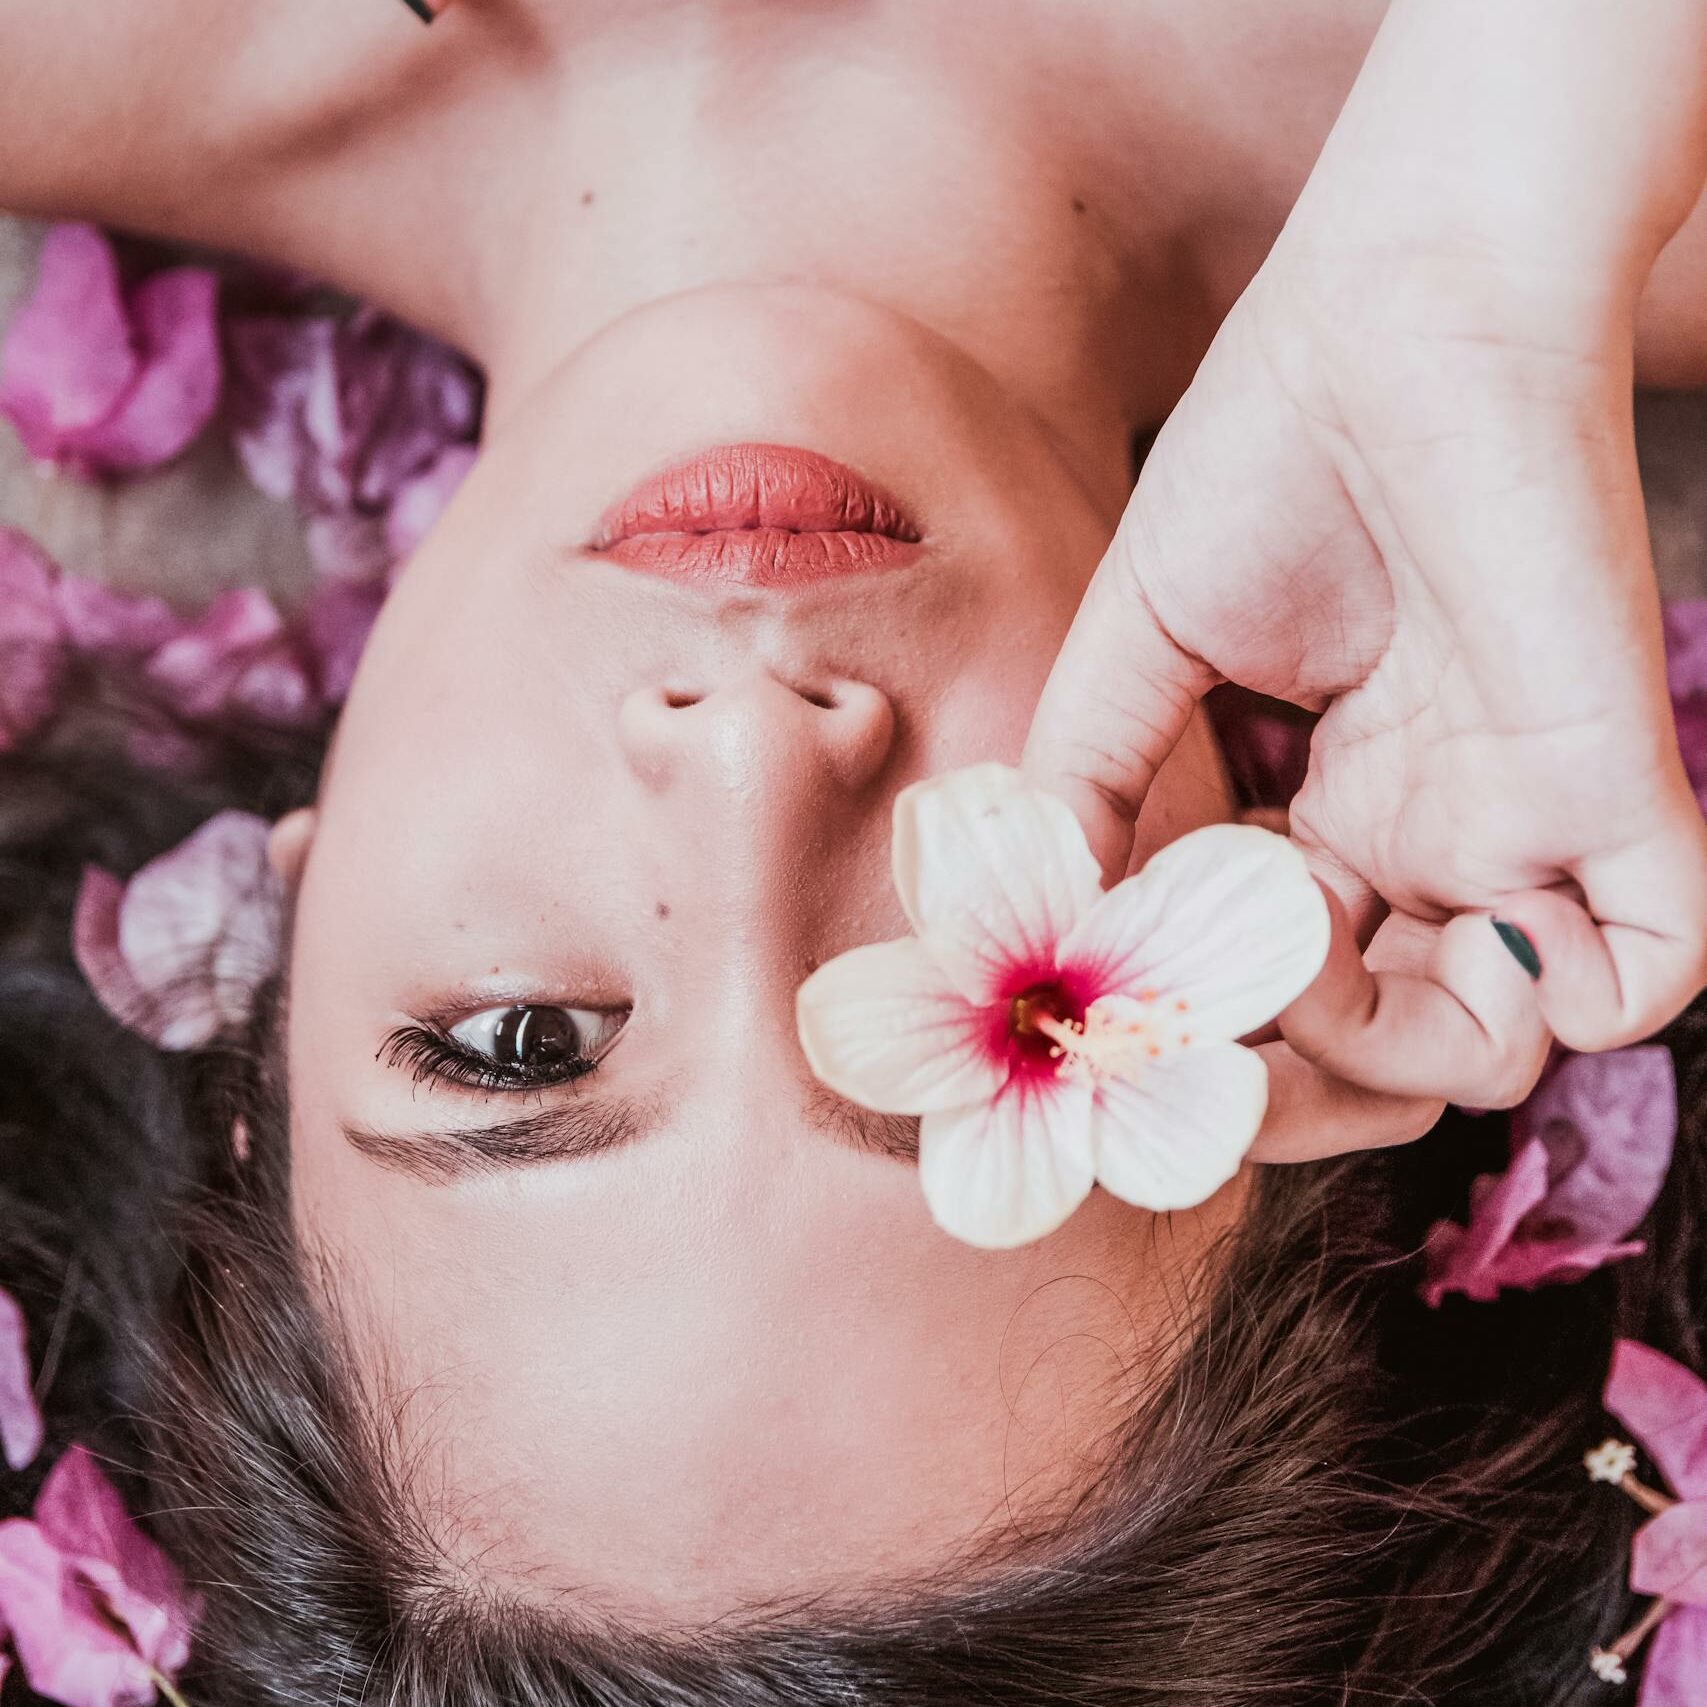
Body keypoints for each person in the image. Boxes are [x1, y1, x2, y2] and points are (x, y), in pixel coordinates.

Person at [0, 1, 1702, 1701]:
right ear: (1259, 977)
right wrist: (1494, 201)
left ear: (272, 960)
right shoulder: (1576, 158)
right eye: (938, 1077)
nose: (754, 751)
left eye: (521, 1047)